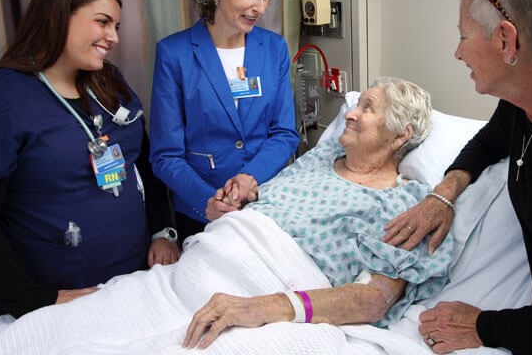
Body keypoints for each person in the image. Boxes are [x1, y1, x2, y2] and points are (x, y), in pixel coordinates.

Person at [383, 0, 532, 354]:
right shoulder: (527, 102)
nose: (457, 52)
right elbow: (488, 141)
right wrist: (442, 194)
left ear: (506, 40)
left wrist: (482, 326)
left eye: (464, 36)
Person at [0, 0, 180, 319]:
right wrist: (35, 299)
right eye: (102, 22)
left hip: (138, 279)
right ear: (58, 15)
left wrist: (162, 231)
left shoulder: (110, 84)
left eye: (116, 27)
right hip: (63, 296)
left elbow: (143, 167)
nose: (113, 38)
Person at [187, 77, 453, 348]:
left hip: (272, 295)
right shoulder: (322, 156)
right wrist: (233, 210)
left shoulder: (406, 203)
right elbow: (268, 212)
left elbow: (374, 299)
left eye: (367, 108)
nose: (349, 114)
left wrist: (260, 307)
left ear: (400, 136)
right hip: (210, 261)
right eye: (356, 105)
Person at [149, 0, 300, 242]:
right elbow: (166, 156)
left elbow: (284, 133)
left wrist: (249, 177)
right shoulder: (175, 54)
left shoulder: (273, 48)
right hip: (200, 211)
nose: (261, 7)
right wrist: (210, 202)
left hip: (265, 201)